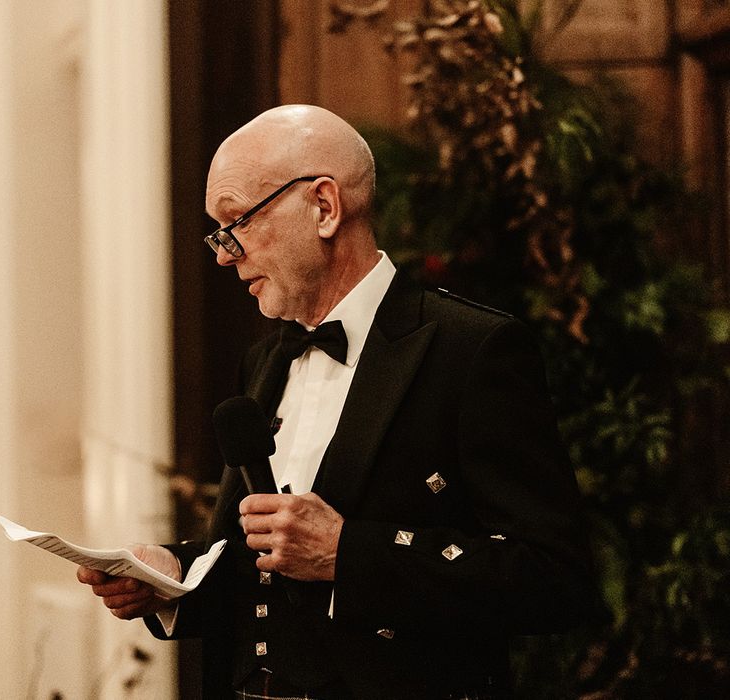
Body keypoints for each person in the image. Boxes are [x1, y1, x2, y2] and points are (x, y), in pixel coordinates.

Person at [77, 104, 594, 699]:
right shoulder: (265, 359)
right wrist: (172, 574)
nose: (223, 253)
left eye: (236, 221)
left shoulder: (472, 350)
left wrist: (349, 553)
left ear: (324, 206)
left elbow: (555, 579)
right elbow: (263, 570)